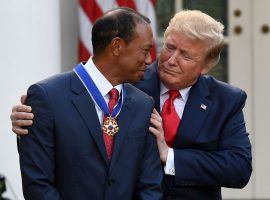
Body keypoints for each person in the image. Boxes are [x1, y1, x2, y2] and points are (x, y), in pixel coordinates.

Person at [11, 10, 252, 200]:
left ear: (206, 65)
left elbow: (239, 168)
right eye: (169, 47)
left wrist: (170, 157)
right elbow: (73, 99)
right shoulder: (129, 81)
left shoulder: (226, 100)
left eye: (186, 56)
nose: (170, 60)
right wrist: (32, 114)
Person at [14, 7, 163, 200]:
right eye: (145, 50)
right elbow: (38, 184)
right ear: (117, 46)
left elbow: (150, 186)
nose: (150, 60)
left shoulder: (143, 104)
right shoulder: (47, 97)